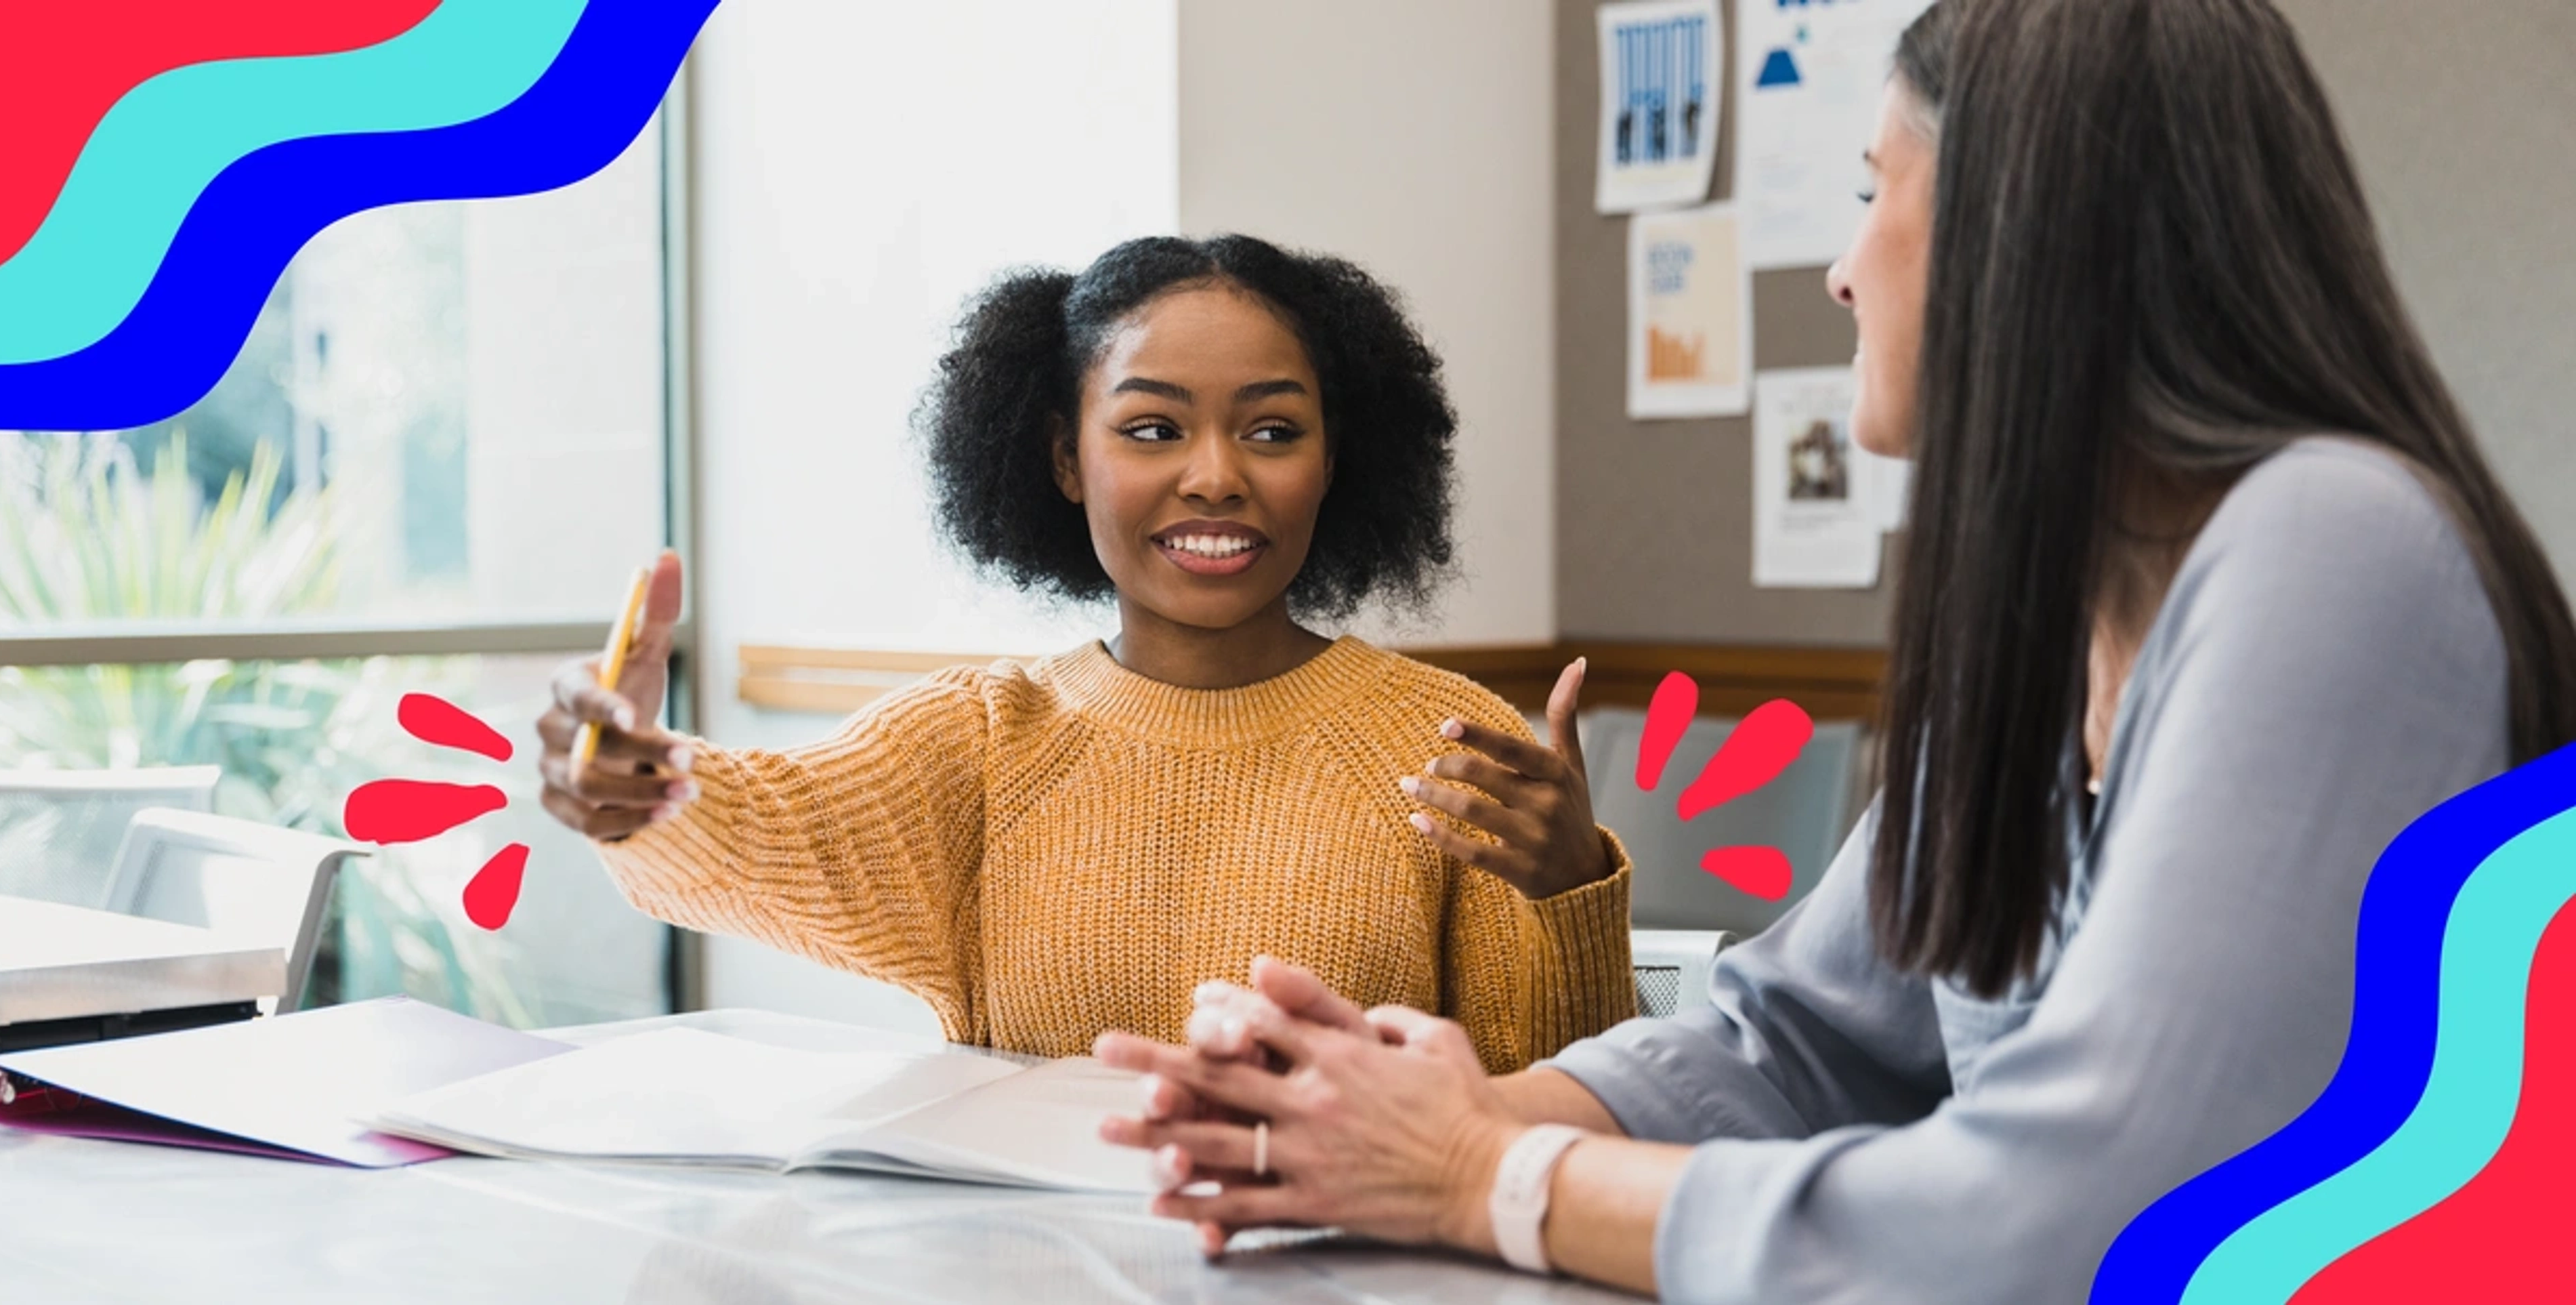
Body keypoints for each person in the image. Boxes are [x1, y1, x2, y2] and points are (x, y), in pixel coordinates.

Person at [1092, 1, 2576, 1299]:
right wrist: (1399, 1113)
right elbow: (1795, 1042)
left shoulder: (2338, 543)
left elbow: (2086, 1223)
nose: (1844, 271)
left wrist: (1487, 1178)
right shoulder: (2050, 626)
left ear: (2021, 234)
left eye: (1875, 192)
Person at [534, 234, 1637, 1068]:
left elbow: (1558, 1107)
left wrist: (1573, 890)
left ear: (1336, 459)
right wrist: (637, 786)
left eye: (1271, 429)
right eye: (1153, 429)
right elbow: (766, 825)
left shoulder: (1443, 741)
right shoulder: (981, 740)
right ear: (1067, 460)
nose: (1215, 475)